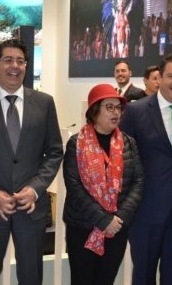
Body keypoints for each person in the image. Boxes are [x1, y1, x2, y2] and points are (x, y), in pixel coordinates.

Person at [0, 38, 63, 285]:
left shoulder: (44, 103)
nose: (15, 66)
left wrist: (35, 189)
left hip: (30, 209)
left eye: (20, 61)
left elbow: (54, 152)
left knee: (31, 276)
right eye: (8, 60)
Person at [119, 53, 172, 285]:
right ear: (159, 78)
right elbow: (122, 158)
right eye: (171, 76)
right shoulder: (136, 111)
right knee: (144, 275)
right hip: (146, 210)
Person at [63, 84, 144, 285]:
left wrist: (118, 219)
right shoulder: (77, 143)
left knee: (106, 280)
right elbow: (74, 186)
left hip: (116, 227)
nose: (116, 112)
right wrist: (102, 219)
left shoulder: (128, 142)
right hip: (82, 226)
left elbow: (138, 182)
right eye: (109, 107)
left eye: (118, 108)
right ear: (94, 110)